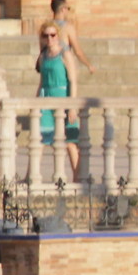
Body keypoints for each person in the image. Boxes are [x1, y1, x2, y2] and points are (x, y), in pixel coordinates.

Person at [34, 21, 79, 184]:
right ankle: (32, 175)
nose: (50, 39)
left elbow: (73, 81)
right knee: (40, 138)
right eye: (46, 36)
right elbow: (41, 81)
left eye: (53, 35)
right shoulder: (43, 55)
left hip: (62, 96)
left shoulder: (65, 54)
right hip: (46, 98)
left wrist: (72, 106)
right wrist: (36, 101)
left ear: (58, 35)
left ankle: (77, 177)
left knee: (70, 142)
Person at [47, 0, 96, 74]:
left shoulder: (46, 27)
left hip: (48, 64)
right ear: (63, 9)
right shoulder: (68, 28)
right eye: (68, 8)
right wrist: (89, 65)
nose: (68, 11)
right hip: (63, 65)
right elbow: (78, 52)